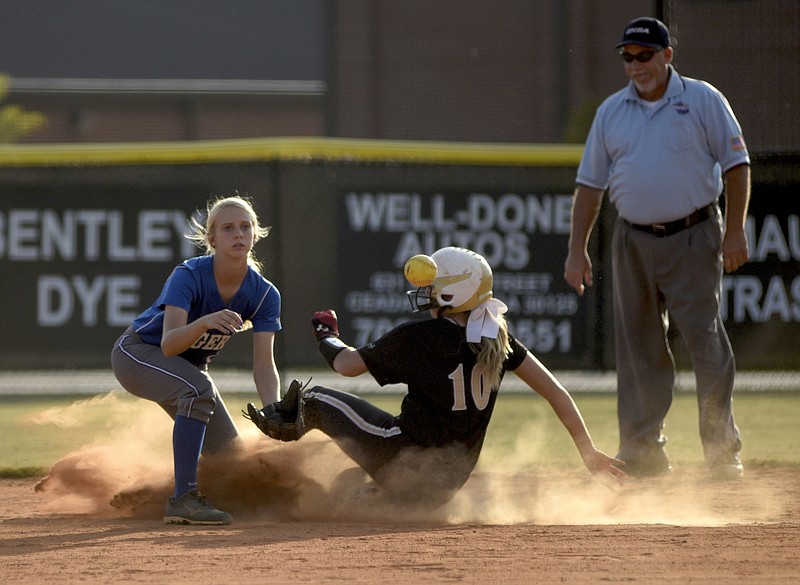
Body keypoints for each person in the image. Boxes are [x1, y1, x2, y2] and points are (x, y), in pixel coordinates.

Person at [245, 247, 625, 508]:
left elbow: (346, 365)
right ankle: (374, 499)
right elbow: (556, 392)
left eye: (433, 286)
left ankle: (256, 465)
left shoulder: (421, 336)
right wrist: (588, 452)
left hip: (404, 460)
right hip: (443, 485)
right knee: (347, 485)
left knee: (314, 400)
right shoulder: (499, 338)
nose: (425, 292)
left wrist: (325, 334)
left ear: (453, 292)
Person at [563, 17, 751, 480]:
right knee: (639, 350)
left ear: (668, 56)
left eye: (644, 55)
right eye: (627, 57)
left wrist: (736, 231)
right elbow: (590, 186)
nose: (635, 65)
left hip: (695, 234)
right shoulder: (612, 111)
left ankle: (722, 453)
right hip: (632, 239)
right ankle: (644, 452)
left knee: (705, 342)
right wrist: (576, 250)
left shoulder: (703, 99)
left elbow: (737, 164)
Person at [111, 195, 282, 524]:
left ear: (255, 234)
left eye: (245, 227)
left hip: (187, 373)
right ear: (212, 238)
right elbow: (170, 344)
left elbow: (263, 365)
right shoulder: (189, 274)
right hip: (137, 355)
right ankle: (183, 499)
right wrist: (204, 321)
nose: (238, 234)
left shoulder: (264, 293)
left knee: (232, 463)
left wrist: (272, 410)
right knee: (199, 389)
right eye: (228, 227)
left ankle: (157, 497)